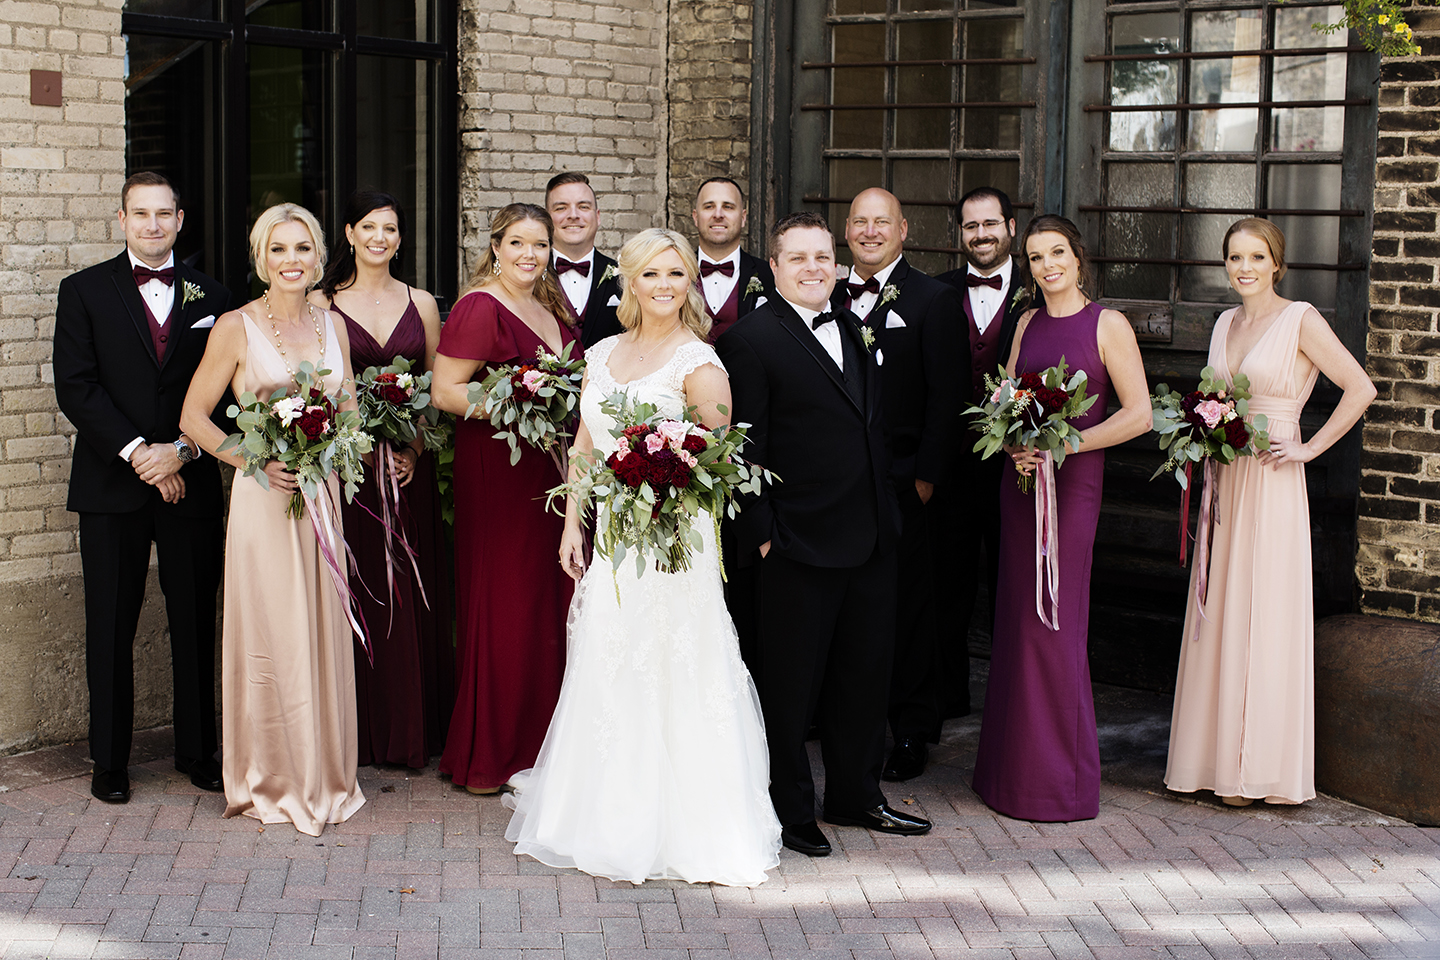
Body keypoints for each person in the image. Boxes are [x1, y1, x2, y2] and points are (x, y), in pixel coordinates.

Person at [504, 228, 781, 886]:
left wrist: (665, 490)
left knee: (673, 665)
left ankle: (686, 823)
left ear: (688, 284)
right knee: (613, 658)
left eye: (675, 275)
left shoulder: (701, 365)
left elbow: (720, 467)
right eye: (650, 274)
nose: (663, 286)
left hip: (675, 543)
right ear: (628, 281)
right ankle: (604, 812)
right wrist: (573, 524)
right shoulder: (600, 353)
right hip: (614, 541)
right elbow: (582, 448)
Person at [717, 211, 931, 858]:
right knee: (790, 688)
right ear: (774, 267)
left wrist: (887, 512)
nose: (813, 267)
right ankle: (791, 810)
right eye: (798, 257)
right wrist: (762, 535)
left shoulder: (857, 326)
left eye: (822, 256)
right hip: (795, 544)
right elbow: (739, 447)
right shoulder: (749, 340)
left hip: (869, 538)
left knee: (863, 678)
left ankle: (856, 795)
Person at [1165, 218, 1375, 807]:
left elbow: (1359, 388)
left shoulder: (1300, 318)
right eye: (1235, 257)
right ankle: (1211, 761)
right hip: (1226, 477)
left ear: (1276, 263)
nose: (1245, 267)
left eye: (1257, 257)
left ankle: (1255, 769)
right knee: (1222, 607)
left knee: (1263, 610)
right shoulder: (1224, 322)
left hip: (1274, 478)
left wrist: (1307, 447)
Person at [179, 203, 366, 836]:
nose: (293, 261)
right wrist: (250, 463)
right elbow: (194, 417)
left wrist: (333, 450)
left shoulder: (332, 325)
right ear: (262, 258)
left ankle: (326, 770)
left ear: (319, 257)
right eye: (279, 250)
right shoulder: (234, 326)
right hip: (265, 500)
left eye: (303, 249)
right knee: (276, 628)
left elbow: (349, 412)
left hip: (323, 494)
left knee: (320, 625)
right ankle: (273, 776)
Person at [53, 171, 231, 804]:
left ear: (181, 219)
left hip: (191, 482)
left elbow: (230, 395)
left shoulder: (213, 295)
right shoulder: (82, 292)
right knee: (110, 623)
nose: (153, 225)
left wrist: (180, 452)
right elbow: (76, 387)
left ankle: (197, 751)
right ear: (121, 219)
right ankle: (110, 761)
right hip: (111, 484)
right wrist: (141, 456)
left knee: (192, 622)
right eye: (141, 213)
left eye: (164, 213)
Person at [970, 215, 1150, 823]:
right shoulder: (1026, 322)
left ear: (1078, 257)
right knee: (1018, 621)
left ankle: (1057, 786)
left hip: (1072, 489)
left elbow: (1140, 415)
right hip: (1020, 484)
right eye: (1037, 257)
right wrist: (1015, 440)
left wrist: (1067, 444)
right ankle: (1007, 775)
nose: (1047, 266)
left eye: (1058, 254)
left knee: (1055, 621)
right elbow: (1007, 399)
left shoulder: (1108, 324)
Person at [430, 204, 581, 795]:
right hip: (500, 470)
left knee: (551, 600)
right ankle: (490, 754)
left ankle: (545, 744)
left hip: (553, 468)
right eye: (516, 243)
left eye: (539, 244)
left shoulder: (552, 306)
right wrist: (519, 405)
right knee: (507, 603)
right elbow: (445, 391)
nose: (529, 254)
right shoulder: (477, 306)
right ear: (495, 247)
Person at [309, 190, 452, 770]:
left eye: (390, 229)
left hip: (405, 471)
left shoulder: (422, 303)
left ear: (400, 237)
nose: (379, 238)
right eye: (368, 227)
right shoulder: (320, 302)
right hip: (347, 476)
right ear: (348, 233)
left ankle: (410, 729)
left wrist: (415, 447)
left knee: (406, 595)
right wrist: (351, 447)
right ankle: (360, 732)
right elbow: (309, 383)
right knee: (360, 591)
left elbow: (436, 390)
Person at [833, 187, 966, 784]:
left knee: (909, 607)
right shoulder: (824, 292)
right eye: (858, 222)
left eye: (880, 222)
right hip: (838, 484)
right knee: (845, 605)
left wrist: (927, 479)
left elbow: (948, 398)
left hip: (904, 481)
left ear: (903, 228)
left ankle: (912, 729)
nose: (869, 231)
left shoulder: (934, 299)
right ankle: (840, 717)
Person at [935, 187, 1030, 724]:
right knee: (947, 583)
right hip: (952, 465)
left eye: (991, 224)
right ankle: (948, 695)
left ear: (1011, 228)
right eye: (971, 226)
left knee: (1011, 581)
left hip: (1019, 463)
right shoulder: (937, 292)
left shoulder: (1040, 291)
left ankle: (1011, 700)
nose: (981, 235)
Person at [690, 176, 774, 342]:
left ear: (743, 217)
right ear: (695, 217)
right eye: (709, 206)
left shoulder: (769, 276)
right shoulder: (676, 271)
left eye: (728, 207)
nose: (718, 214)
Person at [545, 172, 623, 347]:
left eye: (583, 207)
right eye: (561, 208)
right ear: (547, 219)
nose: (573, 215)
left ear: (597, 217)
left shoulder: (626, 275)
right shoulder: (530, 275)